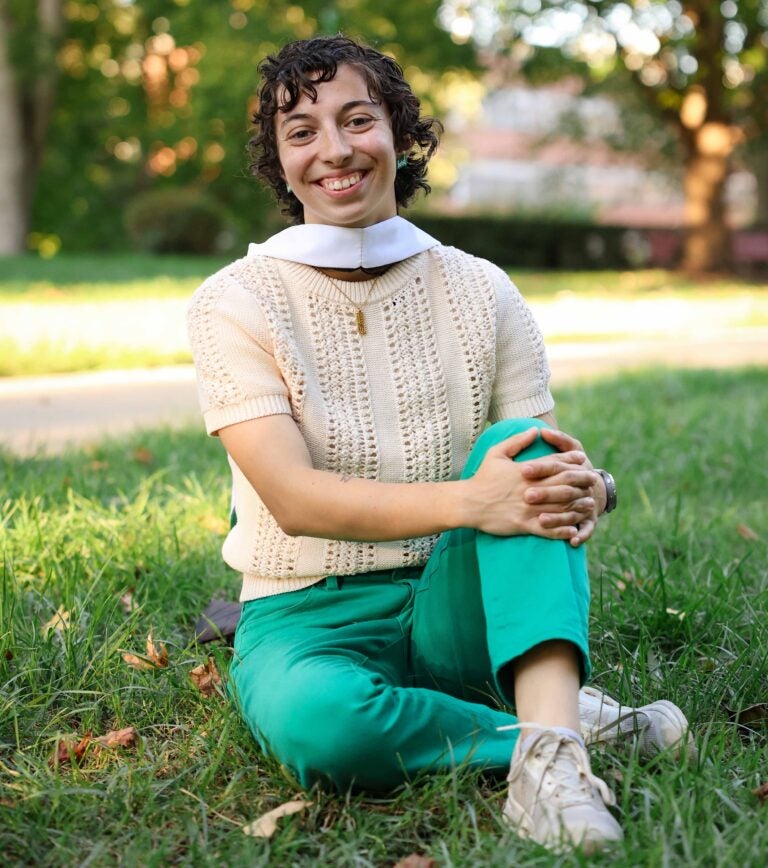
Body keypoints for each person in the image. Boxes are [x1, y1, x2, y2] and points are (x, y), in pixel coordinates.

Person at [187, 35, 694, 854]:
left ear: (399, 133)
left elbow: (536, 458)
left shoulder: (481, 289)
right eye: (303, 132)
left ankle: (550, 772)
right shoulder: (235, 302)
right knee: (325, 731)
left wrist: (585, 484)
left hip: (460, 600)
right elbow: (291, 496)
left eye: (358, 119)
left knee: (523, 452)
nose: (337, 150)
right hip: (305, 613)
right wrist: (475, 500)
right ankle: (552, 724)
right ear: (279, 163)